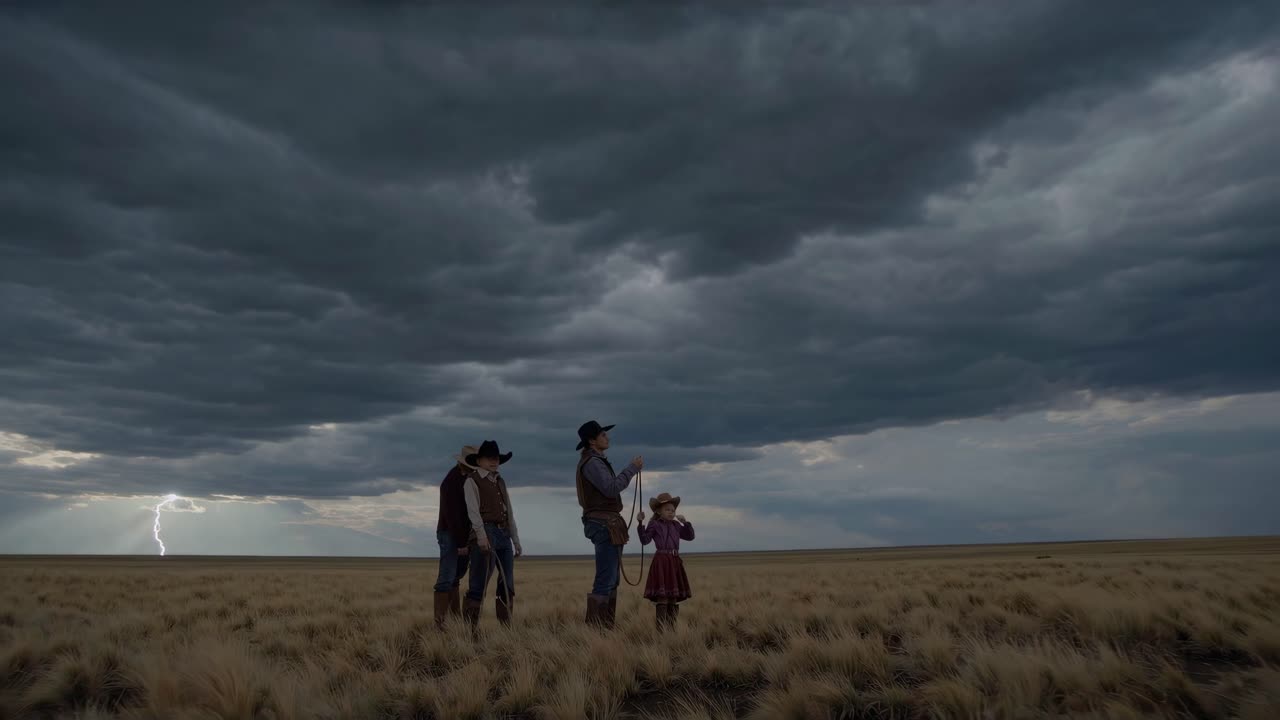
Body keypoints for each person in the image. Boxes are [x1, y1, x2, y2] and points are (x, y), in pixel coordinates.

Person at [575, 419, 643, 628]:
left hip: (607, 523)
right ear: (592, 441)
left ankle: (605, 629)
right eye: (603, 435)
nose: (607, 437)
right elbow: (611, 488)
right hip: (603, 524)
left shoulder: (594, 461)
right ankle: (597, 632)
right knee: (606, 579)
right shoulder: (593, 463)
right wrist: (632, 469)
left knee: (611, 579)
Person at [462, 440, 523, 628]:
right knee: (478, 582)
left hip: (503, 533)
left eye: (496, 458)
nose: (494, 461)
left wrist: (515, 540)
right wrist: (481, 536)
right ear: (479, 460)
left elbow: (509, 512)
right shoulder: (472, 480)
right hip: (486, 531)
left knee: (507, 582)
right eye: (489, 458)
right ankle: (470, 630)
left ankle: (506, 627)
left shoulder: (500, 481)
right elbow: (473, 511)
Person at [433, 445, 477, 629]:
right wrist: (461, 543)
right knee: (447, 576)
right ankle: (440, 624)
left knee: (455, 577)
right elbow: (452, 516)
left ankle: (454, 618)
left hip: (461, 534)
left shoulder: (468, 479)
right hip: (450, 533)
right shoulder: (451, 482)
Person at [636, 492, 695, 628]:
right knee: (662, 598)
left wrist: (685, 523)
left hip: (674, 562)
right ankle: (661, 630)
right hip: (661, 562)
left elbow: (690, 536)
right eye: (667, 509)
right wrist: (640, 523)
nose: (671, 512)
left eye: (673, 510)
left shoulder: (676, 525)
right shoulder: (654, 524)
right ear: (658, 511)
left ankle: (671, 629)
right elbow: (645, 540)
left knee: (673, 598)